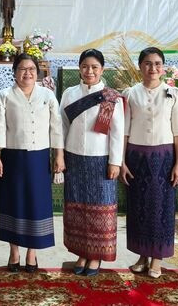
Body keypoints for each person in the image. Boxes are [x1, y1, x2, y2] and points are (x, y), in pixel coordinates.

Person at [0, 53, 64, 273]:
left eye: (31, 69)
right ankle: (14, 252)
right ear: (14, 72)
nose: (27, 73)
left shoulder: (47, 95)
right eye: (22, 69)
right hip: (12, 158)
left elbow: (56, 127)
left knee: (36, 204)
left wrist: (58, 154)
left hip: (39, 158)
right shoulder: (5, 95)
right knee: (13, 203)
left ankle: (32, 253)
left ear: (37, 72)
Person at [121, 47, 178, 279]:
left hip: (164, 157)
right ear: (140, 66)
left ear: (163, 67)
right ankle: (142, 256)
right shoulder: (130, 93)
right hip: (136, 157)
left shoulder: (173, 93)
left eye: (157, 63)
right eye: (147, 63)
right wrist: (121, 161)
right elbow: (124, 130)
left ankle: (157, 258)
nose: (153, 68)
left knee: (160, 208)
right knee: (138, 207)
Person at [60, 49, 124, 277]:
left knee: (100, 208)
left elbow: (117, 132)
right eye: (85, 66)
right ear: (79, 68)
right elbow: (62, 126)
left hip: (101, 160)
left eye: (94, 67)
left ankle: (95, 256)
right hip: (74, 157)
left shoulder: (111, 97)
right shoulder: (69, 93)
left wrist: (115, 162)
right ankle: (81, 252)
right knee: (77, 206)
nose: (89, 71)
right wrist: (60, 155)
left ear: (102, 69)